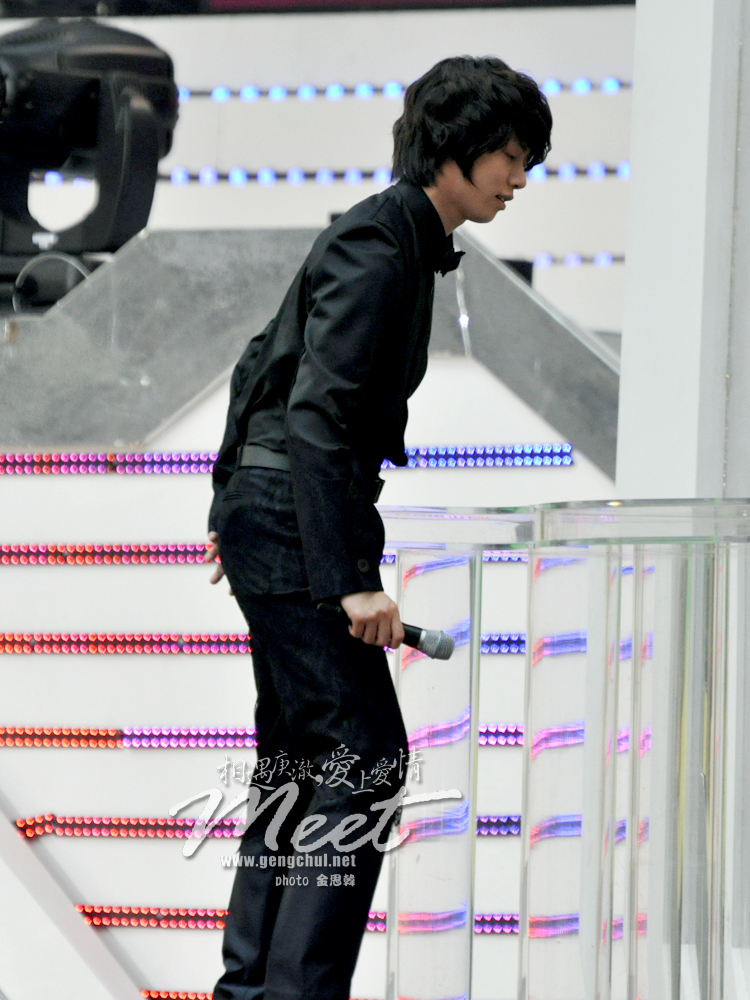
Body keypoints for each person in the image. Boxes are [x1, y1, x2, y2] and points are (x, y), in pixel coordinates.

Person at [205, 55, 551, 1000]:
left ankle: (253, 989)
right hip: (292, 517)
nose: (520, 178)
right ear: (456, 149)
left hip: (275, 511)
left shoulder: (396, 236)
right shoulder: (379, 241)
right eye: (510, 156)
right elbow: (317, 410)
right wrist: (350, 576)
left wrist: (231, 502)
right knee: (364, 758)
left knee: (298, 759)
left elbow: (259, 362)